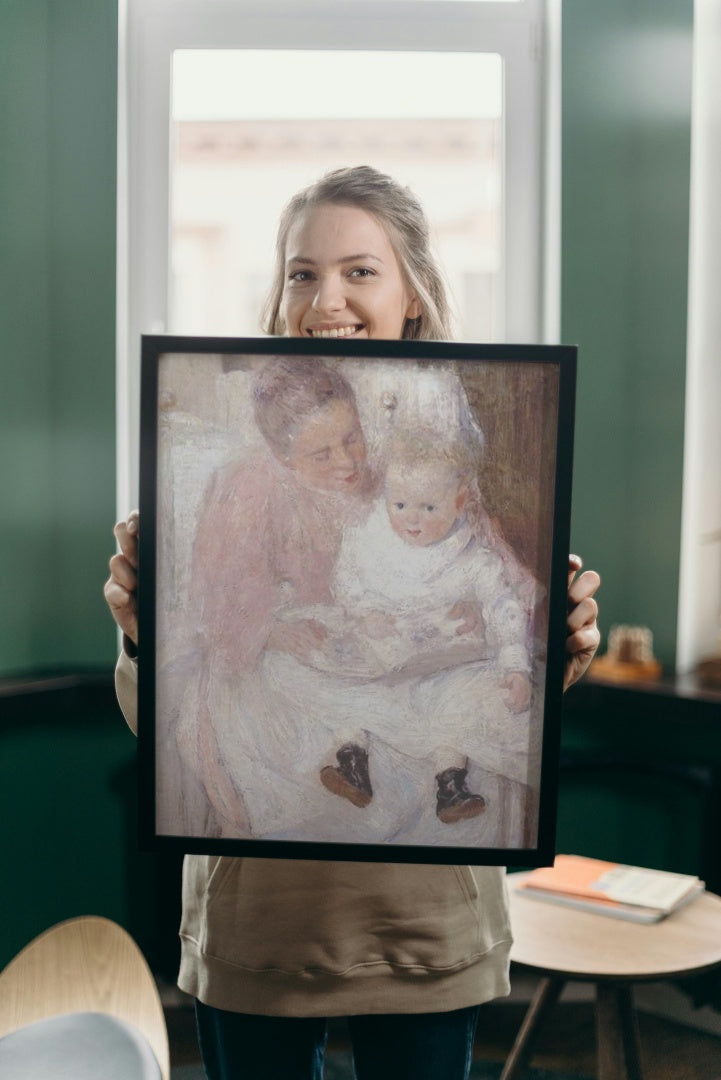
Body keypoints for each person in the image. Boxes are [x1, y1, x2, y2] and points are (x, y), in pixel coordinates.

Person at [105, 165, 601, 1080]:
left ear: (412, 291)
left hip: (421, 919)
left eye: (359, 271)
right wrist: (146, 635)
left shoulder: (430, 454)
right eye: (301, 272)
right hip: (262, 919)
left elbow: (504, 641)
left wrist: (553, 648)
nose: (324, 297)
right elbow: (168, 714)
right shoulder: (233, 483)